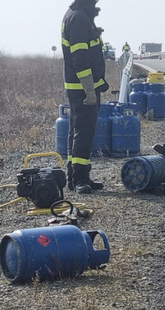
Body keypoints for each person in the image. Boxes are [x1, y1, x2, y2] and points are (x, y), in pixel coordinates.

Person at [61, 0, 109, 194]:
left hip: (80, 85)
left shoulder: (77, 14)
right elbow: (80, 58)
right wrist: (89, 89)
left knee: (77, 131)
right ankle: (80, 179)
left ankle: (74, 177)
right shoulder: (79, 18)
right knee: (84, 132)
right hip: (82, 87)